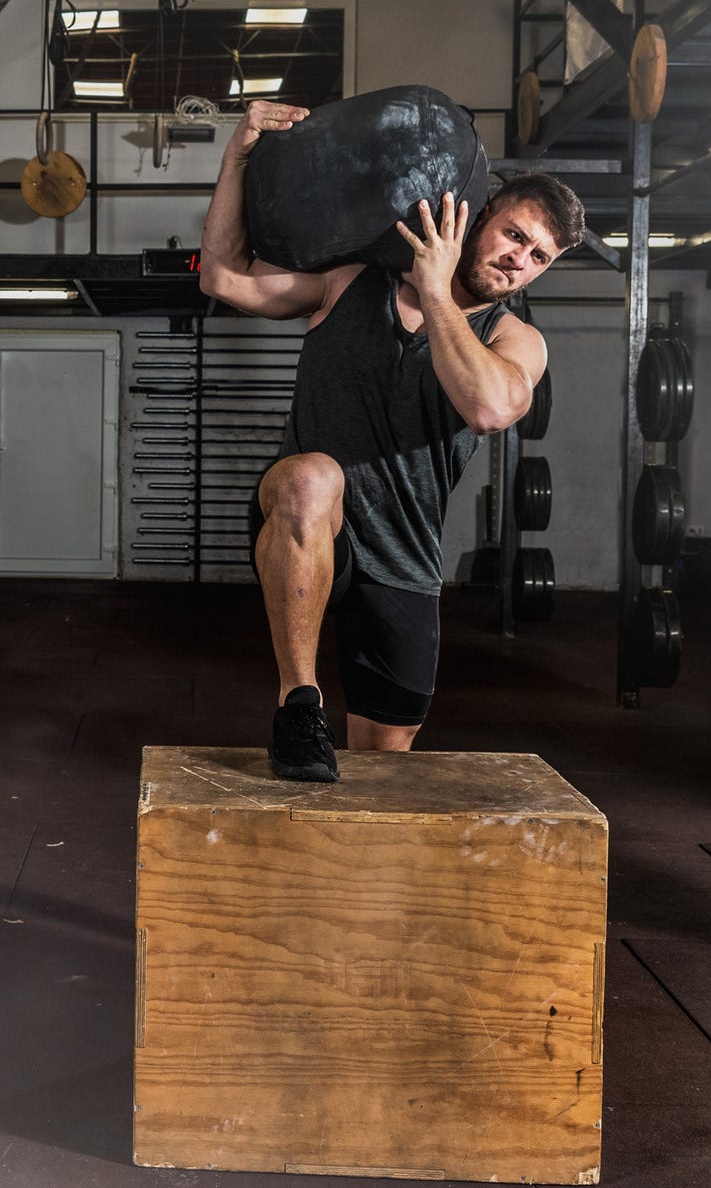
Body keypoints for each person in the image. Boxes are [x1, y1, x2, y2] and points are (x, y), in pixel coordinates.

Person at [198, 99, 584, 781]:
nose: (519, 259)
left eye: (538, 256)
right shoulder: (350, 281)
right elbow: (223, 275)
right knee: (309, 475)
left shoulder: (513, 340)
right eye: (515, 235)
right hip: (316, 524)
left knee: (384, 771)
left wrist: (437, 294)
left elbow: (491, 408)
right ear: (478, 213)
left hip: (404, 558)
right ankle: (299, 703)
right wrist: (238, 158)